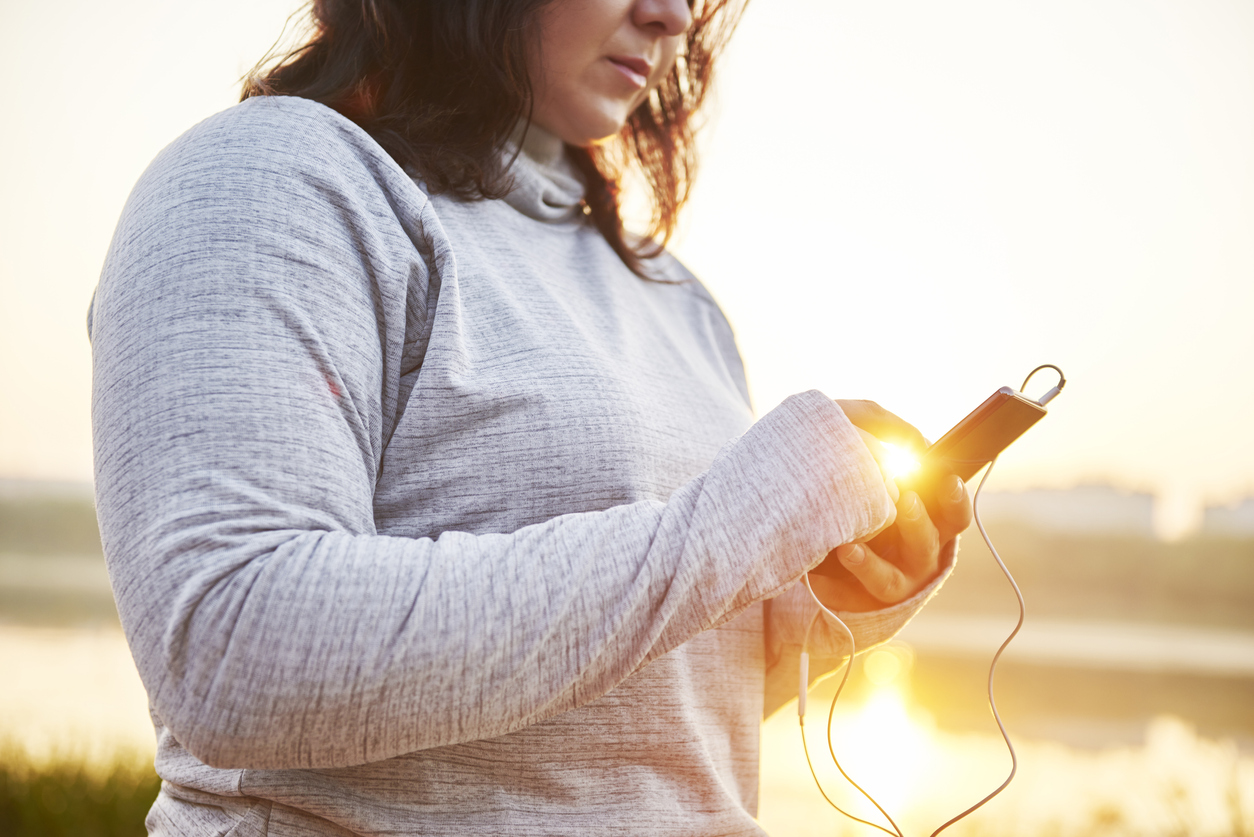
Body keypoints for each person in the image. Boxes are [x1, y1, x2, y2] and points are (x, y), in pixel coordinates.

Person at [88, 1, 972, 834]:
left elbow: (641, 705)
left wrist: (818, 606)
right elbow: (235, 654)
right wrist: (739, 523)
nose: (671, 15)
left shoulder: (674, 297)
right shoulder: (270, 178)